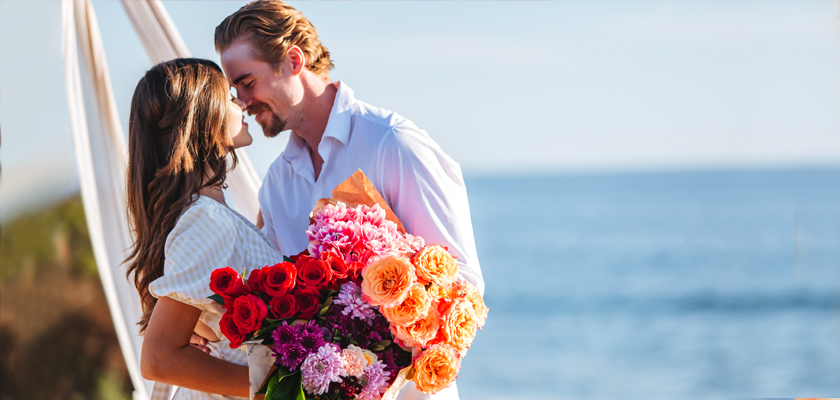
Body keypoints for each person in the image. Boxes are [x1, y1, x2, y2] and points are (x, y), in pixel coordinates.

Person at [215, 2, 485, 399]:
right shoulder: (276, 182)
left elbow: (463, 283)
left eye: (247, 82)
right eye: (234, 90)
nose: (240, 101)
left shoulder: (392, 144)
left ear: (293, 61)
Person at [125, 58, 281, 399]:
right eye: (227, 96)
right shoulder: (206, 221)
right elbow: (159, 358)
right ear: (203, 116)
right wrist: (275, 390)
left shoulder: (209, 215)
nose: (241, 101)